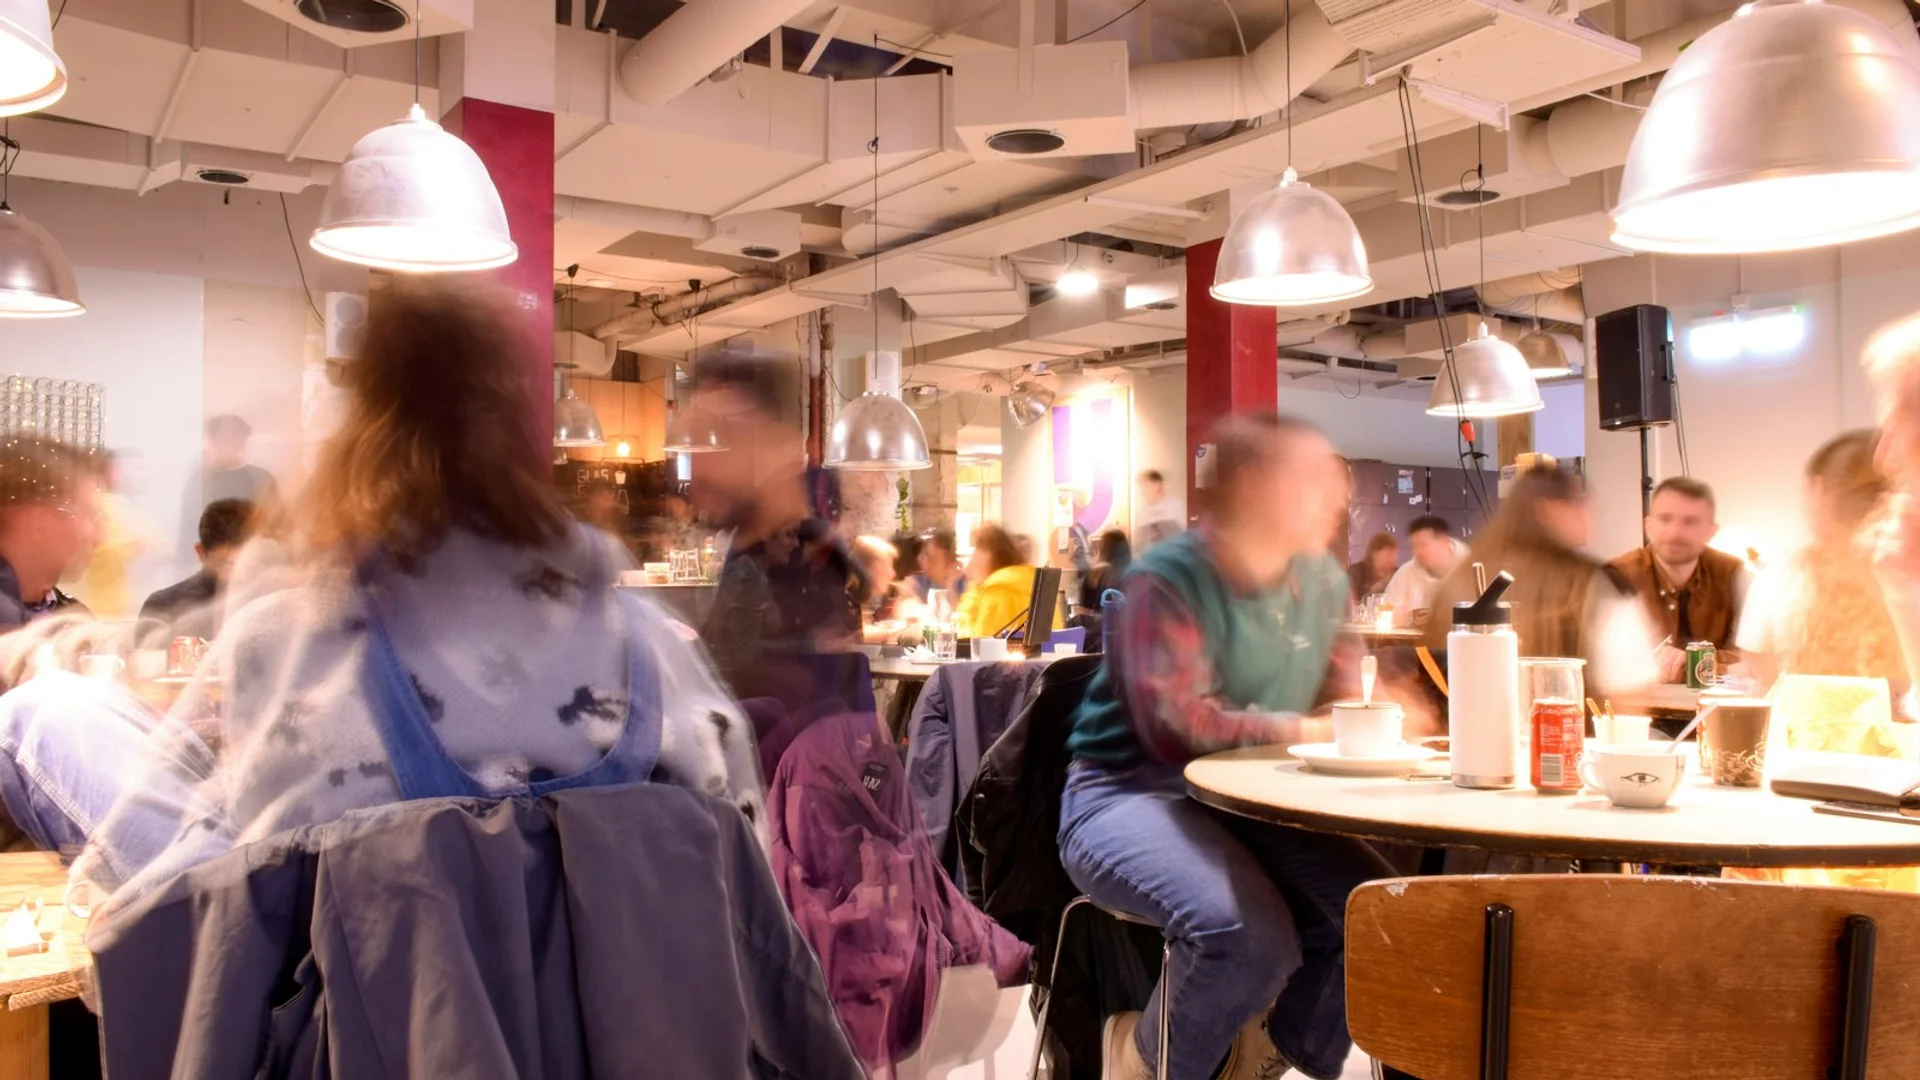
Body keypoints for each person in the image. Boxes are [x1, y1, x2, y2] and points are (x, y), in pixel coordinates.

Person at [82, 278, 760, 900]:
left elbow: (205, 902)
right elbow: (751, 900)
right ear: (514, 430)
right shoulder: (651, 647)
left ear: (358, 424)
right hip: (631, 1031)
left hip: (386, 1033)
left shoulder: (289, 644)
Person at [1061, 412, 1392, 1080]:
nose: (1336, 495)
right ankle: (1146, 1058)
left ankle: (1265, 1056)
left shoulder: (1321, 582)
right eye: (1313, 479)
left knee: (1381, 912)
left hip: (1251, 798)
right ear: (1251, 488)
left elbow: (1339, 699)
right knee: (1242, 936)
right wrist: (1303, 730)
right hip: (1128, 787)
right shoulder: (1169, 578)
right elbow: (1176, 725)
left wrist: (1374, 715)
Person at [1428, 468, 1655, 695]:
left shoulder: (1461, 576)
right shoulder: (1592, 583)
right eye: (1579, 503)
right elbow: (1627, 685)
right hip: (1567, 727)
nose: (1589, 514)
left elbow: (1427, 673)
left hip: (1459, 726)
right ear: (1549, 509)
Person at [1736, 430, 1903, 692]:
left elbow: (1764, 680)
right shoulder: (1907, 579)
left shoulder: (1780, 581)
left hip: (1805, 731)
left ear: (1818, 489)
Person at [1604, 477, 1747, 682]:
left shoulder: (1732, 573)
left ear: (1711, 531)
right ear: (1648, 525)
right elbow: (1611, 662)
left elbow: (1749, 659)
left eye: (1690, 522)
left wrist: (1684, 661)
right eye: (1665, 519)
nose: (1675, 532)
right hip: (1639, 707)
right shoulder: (1618, 575)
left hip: (1715, 707)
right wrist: (1714, 663)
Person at [0, 437, 99, 631]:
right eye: (87, 515)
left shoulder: (71, 616)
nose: (98, 537)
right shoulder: (6, 622)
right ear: (40, 522)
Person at [136, 498, 255, 645]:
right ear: (200, 553)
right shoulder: (164, 606)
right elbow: (145, 664)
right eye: (225, 564)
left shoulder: (271, 602)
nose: (237, 573)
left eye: (248, 563)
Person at [952, 524, 1055, 639]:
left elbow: (977, 644)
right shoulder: (1033, 581)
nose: (972, 560)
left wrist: (974, 588)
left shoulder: (997, 590)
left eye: (977, 551)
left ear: (990, 556)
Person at [1379, 515, 1469, 629]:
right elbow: (1385, 612)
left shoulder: (1470, 568)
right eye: (1414, 546)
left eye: (1423, 545)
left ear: (1444, 542)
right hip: (1417, 645)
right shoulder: (1406, 573)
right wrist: (1406, 617)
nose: (1417, 551)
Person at [1076, 528, 1132, 615]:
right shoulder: (1132, 574)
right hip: (1127, 625)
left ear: (1103, 548)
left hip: (1100, 626)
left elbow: (1083, 611)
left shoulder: (1096, 574)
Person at [908, 529, 967, 606]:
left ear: (951, 561)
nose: (925, 562)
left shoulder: (965, 585)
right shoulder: (917, 583)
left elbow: (961, 614)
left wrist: (951, 586)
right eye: (923, 555)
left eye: (932, 559)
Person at [1135, 469, 1184, 551]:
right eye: (1142, 488)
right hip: (1151, 560)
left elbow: (1185, 536)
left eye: (1146, 486)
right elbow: (1139, 545)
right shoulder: (1141, 514)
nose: (1142, 492)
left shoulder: (1176, 507)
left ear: (1158, 485)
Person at [1347, 531, 1398, 602]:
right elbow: (1349, 604)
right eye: (1388, 553)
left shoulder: (1398, 574)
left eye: (1394, 554)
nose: (1392, 558)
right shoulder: (1356, 572)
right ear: (1374, 553)